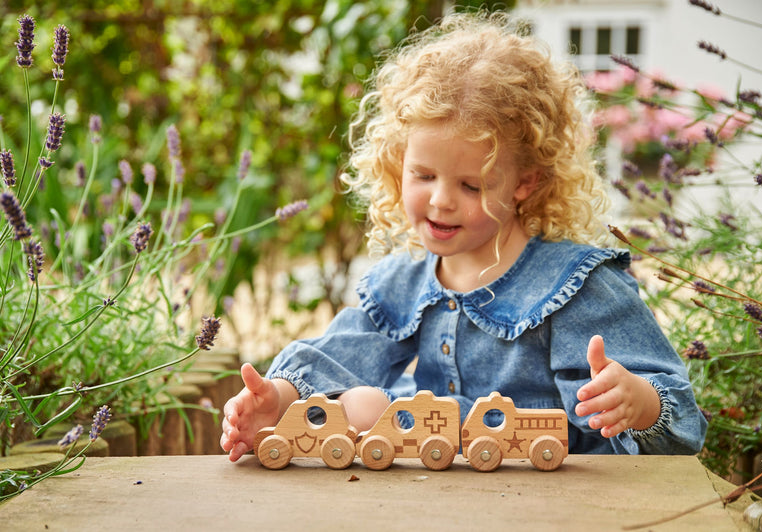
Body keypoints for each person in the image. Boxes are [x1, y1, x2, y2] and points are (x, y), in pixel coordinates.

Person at [221, 11, 707, 462]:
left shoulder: (576, 286)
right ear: (397, 163)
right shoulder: (404, 280)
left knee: (371, 407)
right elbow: (338, 355)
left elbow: (684, 424)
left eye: (470, 185)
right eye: (423, 175)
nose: (440, 201)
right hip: (443, 494)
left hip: (561, 500)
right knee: (364, 403)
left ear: (525, 183)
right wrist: (278, 399)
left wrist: (638, 402)